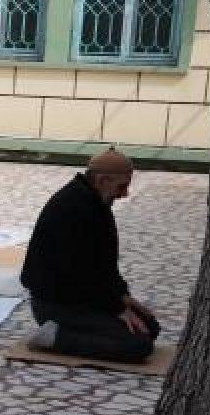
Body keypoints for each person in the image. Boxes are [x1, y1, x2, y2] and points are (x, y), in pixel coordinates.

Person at [21, 147, 160, 363]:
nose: (125, 194)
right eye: (122, 186)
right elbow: (80, 276)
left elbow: (104, 266)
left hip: (82, 297)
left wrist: (124, 299)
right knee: (138, 345)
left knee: (149, 326)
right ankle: (56, 336)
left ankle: (69, 332)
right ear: (102, 181)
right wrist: (116, 309)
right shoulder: (71, 208)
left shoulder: (95, 203)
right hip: (57, 304)